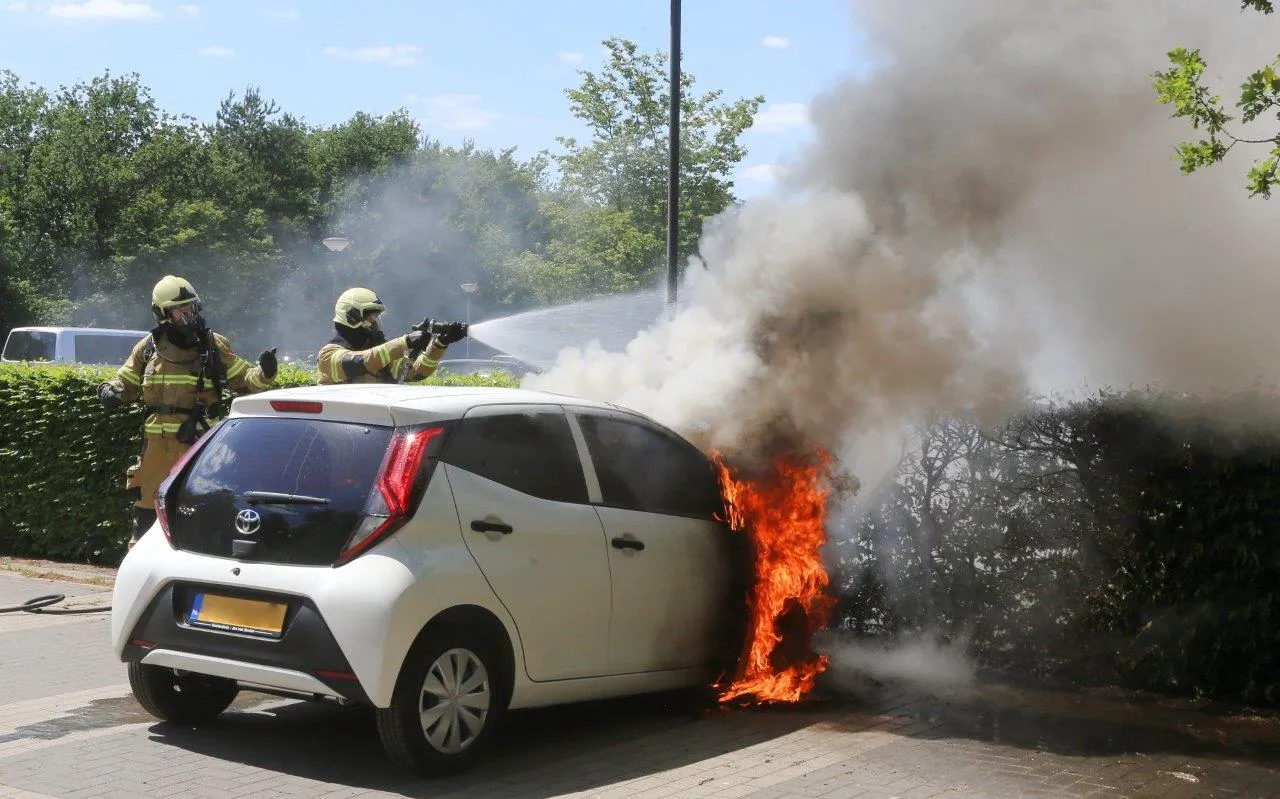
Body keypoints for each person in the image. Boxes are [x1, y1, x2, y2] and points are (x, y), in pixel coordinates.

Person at [97, 275, 279, 546]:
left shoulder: (212, 344)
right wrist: (108, 390)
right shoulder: (148, 348)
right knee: (147, 511)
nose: (189, 315)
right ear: (163, 314)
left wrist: (266, 372)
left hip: (199, 442)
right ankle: (141, 572)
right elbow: (125, 383)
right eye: (181, 310)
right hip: (156, 448)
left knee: (201, 506)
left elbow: (245, 379)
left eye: (192, 308)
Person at [316, 287, 467, 385]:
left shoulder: (381, 357)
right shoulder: (327, 355)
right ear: (352, 316)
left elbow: (416, 372)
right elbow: (361, 362)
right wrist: (405, 342)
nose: (374, 321)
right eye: (371, 316)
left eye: (376, 316)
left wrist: (439, 344)